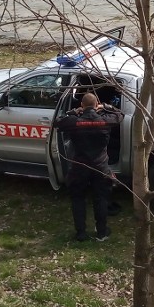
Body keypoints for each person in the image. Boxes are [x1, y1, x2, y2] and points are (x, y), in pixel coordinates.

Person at [54, 93, 125, 242]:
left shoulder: (74, 121)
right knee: (101, 198)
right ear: (96, 104)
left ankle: (81, 233)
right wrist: (106, 106)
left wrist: (73, 112)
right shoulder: (105, 121)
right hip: (100, 166)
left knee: (78, 199)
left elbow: (58, 122)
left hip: (79, 166)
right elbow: (120, 115)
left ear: (82, 105)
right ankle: (102, 232)